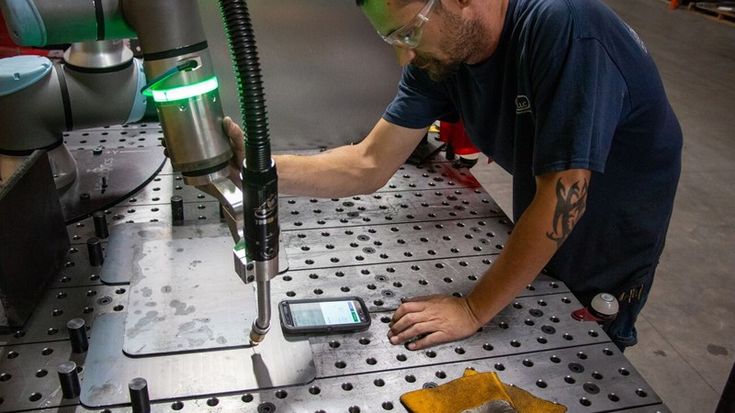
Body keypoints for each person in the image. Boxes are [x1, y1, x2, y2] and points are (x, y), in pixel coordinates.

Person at [224, 0, 682, 352]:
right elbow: (368, 163)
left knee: (586, 354)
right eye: (392, 39)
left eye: (410, 31)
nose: (406, 55)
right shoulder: (442, 55)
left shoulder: (564, 29)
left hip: (608, 233)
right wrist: (260, 169)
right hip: (547, 199)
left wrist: (472, 307)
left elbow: (566, 196)